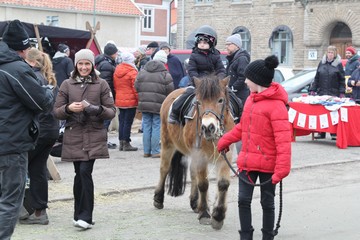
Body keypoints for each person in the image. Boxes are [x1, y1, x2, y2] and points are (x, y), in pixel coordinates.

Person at [217, 55, 291, 240]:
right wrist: (226, 140)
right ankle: (246, 236)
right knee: (243, 201)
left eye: (248, 78)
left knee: (267, 203)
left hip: (268, 165)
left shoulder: (277, 107)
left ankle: (267, 236)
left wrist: (282, 169)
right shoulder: (251, 100)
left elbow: (283, 141)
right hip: (248, 161)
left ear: (257, 81)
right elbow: (242, 127)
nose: (246, 81)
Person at [0, 19, 54, 239]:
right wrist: (48, 90)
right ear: (22, 48)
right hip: (11, 143)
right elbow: (42, 102)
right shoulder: (16, 69)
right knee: (10, 200)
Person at [53, 49, 116, 230]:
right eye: (80, 64)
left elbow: (111, 111)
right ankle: (78, 213)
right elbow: (56, 111)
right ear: (75, 65)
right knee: (78, 175)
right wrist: (69, 108)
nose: (83, 67)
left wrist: (93, 108)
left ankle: (86, 217)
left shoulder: (102, 84)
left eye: (87, 64)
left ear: (92, 65)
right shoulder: (66, 84)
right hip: (73, 135)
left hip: (94, 135)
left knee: (85, 172)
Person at [19, 48, 59, 225]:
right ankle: (39, 211)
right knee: (38, 170)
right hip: (51, 130)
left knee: (16, 168)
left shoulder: (31, 78)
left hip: (37, 131)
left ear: (31, 62)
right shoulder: (49, 78)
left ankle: (18, 208)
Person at [168, 25, 226, 124]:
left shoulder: (216, 55)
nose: (202, 44)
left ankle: (237, 115)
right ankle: (174, 114)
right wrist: (199, 82)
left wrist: (218, 81)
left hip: (214, 85)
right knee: (185, 95)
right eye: (200, 42)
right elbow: (191, 70)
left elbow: (221, 70)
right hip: (197, 83)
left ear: (212, 43)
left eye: (205, 42)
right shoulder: (194, 55)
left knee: (231, 95)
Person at [135, 50, 174, 158]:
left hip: (144, 104)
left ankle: (146, 151)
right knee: (157, 125)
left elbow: (136, 86)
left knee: (146, 125)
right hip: (159, 104)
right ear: (164, 61)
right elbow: (170, 90)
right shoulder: (165, 74)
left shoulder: (142, 71)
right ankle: (155, 151)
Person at [309, 45, 345, 140]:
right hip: (322, 92)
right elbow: (316, 78)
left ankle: (333, 133)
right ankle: (321, 133)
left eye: (332, 53)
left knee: (332, 114)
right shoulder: (321, 63)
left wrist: (342, 92)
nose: (330, 54)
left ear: (334, 54)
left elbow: (342, 80)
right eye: (328, 52)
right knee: (321, 113)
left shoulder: (338, 65)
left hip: (333, 93)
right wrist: (313, 89)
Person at [95, 42, 119, 149]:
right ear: (112, 53)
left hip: (103, 95)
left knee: (104, 119)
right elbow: (106, 82)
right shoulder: (106, 64)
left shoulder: (105, 62)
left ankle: (102, 141)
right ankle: (102, 142)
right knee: (105, 118)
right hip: (105, 96)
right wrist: (109, 96)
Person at [113, 52, 139, 151]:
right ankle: (126, 143)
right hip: (130, 100)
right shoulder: (132, 71)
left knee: (122, 121)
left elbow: (116, 86)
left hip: (120, 100)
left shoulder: (117, 70)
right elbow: (135, 88)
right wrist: (138, 99)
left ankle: (121, 143)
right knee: (128, 122)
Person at [225, 33, 250, 105]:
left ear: (237, 46)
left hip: (240, 97)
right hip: (233, 95)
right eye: (226, 44)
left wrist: (232, 88)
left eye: (229, 44)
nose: (227, 47)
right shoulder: (232, 58)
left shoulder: (242, 59)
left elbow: (243, 77)